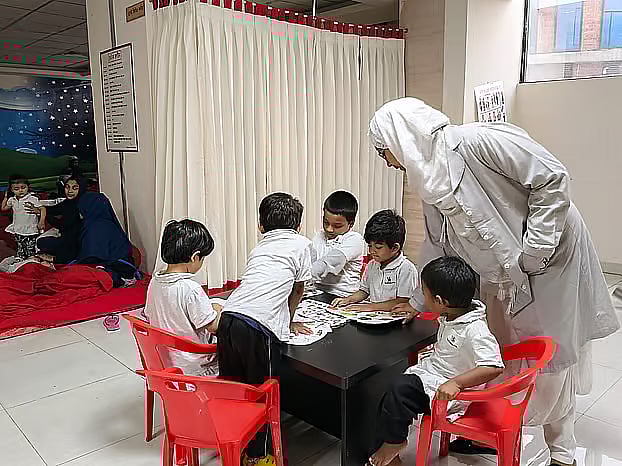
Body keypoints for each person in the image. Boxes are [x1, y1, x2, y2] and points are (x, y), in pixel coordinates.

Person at [368, 97, 620, 466]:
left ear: (401, 137)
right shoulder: (429, 179)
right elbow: (439, 244)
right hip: (502, 270)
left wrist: (534, 253)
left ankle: (563, 452)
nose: (388, 162)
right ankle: (489, 428)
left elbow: (552, 178)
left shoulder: (477, 142)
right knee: (498, 346)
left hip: (552, 258)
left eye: (383, 151)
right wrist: (419, 302)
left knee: (549, 353)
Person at [368, 256, 504, 466]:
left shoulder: (475, 329)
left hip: (448, 391)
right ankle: (391, 455)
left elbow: (493, 366)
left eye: (425, 294)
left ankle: (394, 443)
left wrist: (456, 383)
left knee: (399, 391)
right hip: (432, 375)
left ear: (440, 301)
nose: (423, 298)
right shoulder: (453, 315)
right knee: (389, 398)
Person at [217, 192, 313, 466]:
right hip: (257, 328)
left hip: (229, 317)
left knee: (236, 388)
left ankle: (234, 444)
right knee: (263, 393)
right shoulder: (301, 244)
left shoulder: (259, 247)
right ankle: (259, 455)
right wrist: (288, 318)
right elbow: (297, 289)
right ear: (297, 226)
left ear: (261, 225)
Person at [144, 219, 221, 376]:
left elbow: (150, 312)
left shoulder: (155, 281)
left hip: (165, 360)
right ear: (195, 257)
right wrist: (218, 310)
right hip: (195, 366)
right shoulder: (190, 289)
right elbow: (213, 326)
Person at [332, 210, 417, 312]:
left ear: (394, 248)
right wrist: (348, 300)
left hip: (395, 320)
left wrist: (369, 307)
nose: (371, 251)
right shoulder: (372, 265)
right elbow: (364, 291)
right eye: (369, 246)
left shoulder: (406, 269)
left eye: (378, 247)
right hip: (375, 317)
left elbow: (402, 301)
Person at [310, 190, 365, 297]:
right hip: (317, 291)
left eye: (337, 226)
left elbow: (330, 262)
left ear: (351, 224)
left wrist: (301, 276)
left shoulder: (354, 239)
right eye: (326, 223)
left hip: (343, 295)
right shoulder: (319, 236)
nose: (329, 229)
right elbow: (308, 261)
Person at [26, 176, 85, 264]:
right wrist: (40, 210)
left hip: (75, 242)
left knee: (42, 243)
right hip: (66, 237)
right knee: (43, 242)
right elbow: (54, 209)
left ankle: (57, 259)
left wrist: (44, 215)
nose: (70, 191)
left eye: (74, 188)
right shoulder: (68, 203)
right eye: (67, 187)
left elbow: (62, 225)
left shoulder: (79, 204)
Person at [1, 174, 46, 259]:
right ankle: (21, 263)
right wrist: (6, 197)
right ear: (11, 190)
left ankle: (32, 263)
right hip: (18, 229)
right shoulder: (12, 200)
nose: (20, 191)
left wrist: (41, 221)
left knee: (30, 251)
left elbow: (43, 208)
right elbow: (3, 208)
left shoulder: (32, 198)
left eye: (23, 187)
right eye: (16, 189)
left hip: (30, 230)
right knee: (20, 249)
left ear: (28, 187)